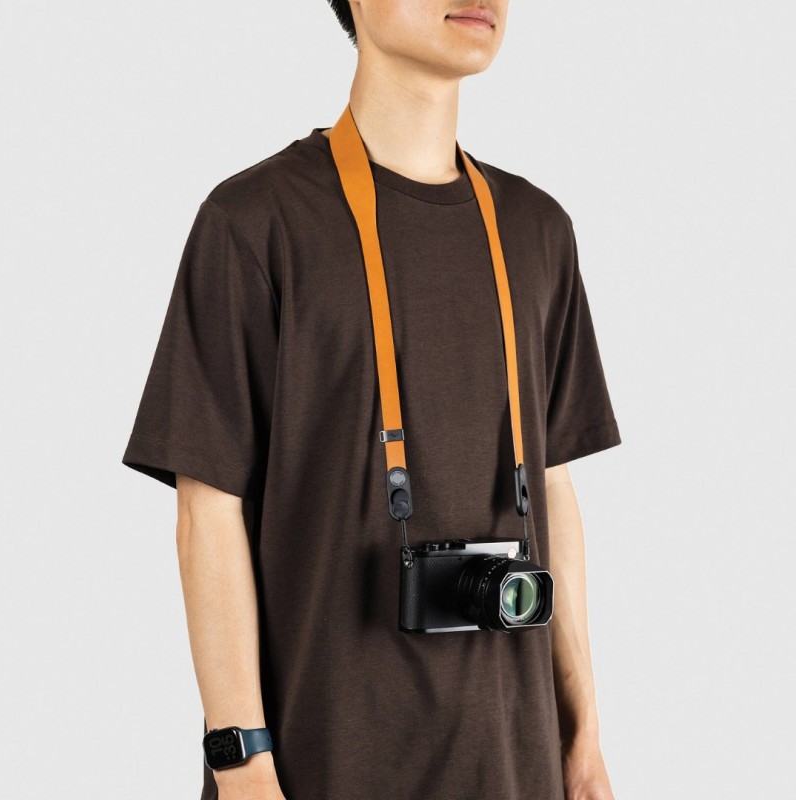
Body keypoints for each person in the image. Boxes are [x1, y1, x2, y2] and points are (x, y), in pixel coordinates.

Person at [121, 1, 623, 798]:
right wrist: (241, 762)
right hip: (318, 765)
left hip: (513, 765)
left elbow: (552, 487)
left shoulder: (539, 231)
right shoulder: (255, 222)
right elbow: (207, 508)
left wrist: (584, 734)